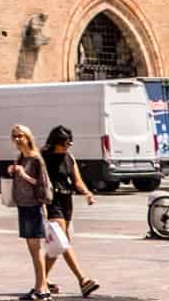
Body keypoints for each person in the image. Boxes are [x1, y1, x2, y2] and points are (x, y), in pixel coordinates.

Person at [41, 126, 100, 297]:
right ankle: (83, 280)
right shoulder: (43, 156)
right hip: (52, 201)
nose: (68, 146)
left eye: (70, 143)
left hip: (67, 201)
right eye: (65, 144)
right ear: (55, 143)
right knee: (62, 241)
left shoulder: (69, 157)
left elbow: (77, 180)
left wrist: (87, 193)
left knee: (57, 246)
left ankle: (41, 279)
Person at [8, 124, 51, 301]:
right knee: (33, 251)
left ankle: (42, 289)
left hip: (34, 206)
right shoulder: (21, 158)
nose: (17, 140)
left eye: (20, 136)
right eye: (14, 136)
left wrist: (23, 174)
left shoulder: (35, 159)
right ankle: (40, 287)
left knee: (36, 250)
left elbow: (43, 184)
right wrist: (13, 171)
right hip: (23, 206)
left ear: (28, 137)